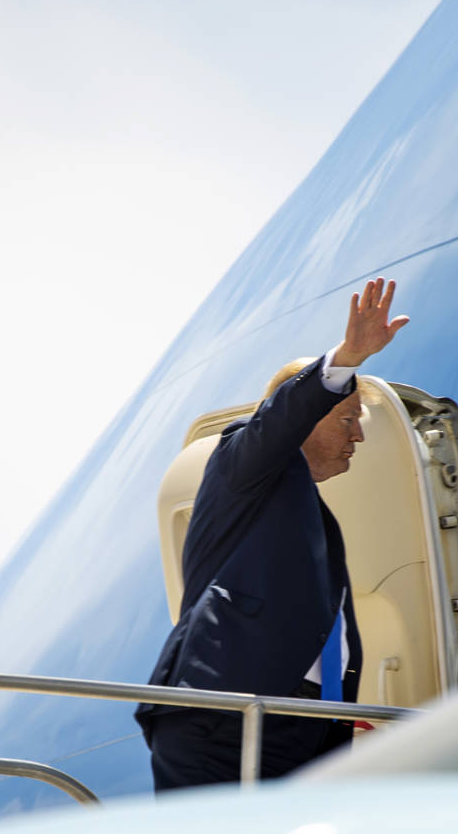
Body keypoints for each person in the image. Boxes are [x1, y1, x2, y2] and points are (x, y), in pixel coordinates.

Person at [134, 277, 409, 790]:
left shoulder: (311, 517)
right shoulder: (243, 464)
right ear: (306, 418)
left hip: (300, 732)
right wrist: (347, 358)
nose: (359, 435)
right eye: (349, 418)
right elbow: (277, 421)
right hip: (226, 716)